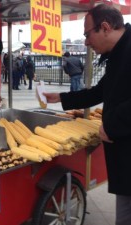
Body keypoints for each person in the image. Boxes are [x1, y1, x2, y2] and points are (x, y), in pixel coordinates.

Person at [44, 4, 131, 225]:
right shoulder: (117, 54)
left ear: (104, 27)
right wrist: (62, 98)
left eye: (87, 34)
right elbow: (100, 92)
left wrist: (110, 125)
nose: (85, 42)